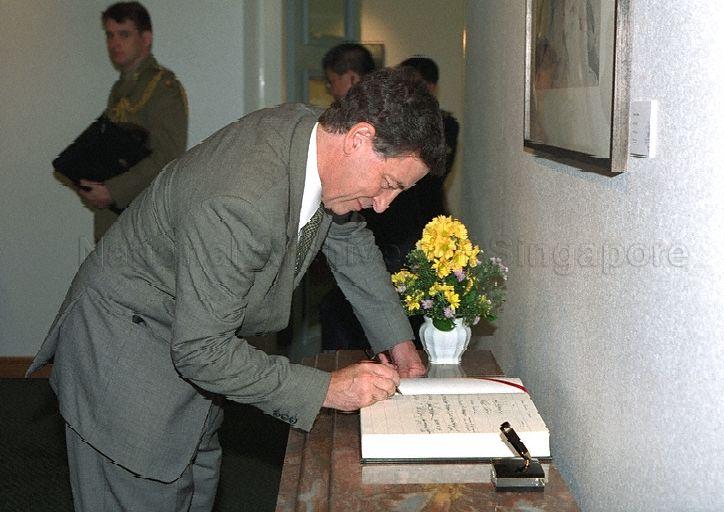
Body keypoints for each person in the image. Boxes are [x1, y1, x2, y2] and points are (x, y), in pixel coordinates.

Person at [28, 67, 444, 511]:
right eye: (388, 184)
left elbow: (348, 239)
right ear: (360, 138)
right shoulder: (239, 199)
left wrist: (397, 342)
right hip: (126, 361)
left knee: (192, 487)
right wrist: (325, 390)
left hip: (191, 353)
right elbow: (202, 350)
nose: (384, 205)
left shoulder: (318, 138)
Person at [319, 55, 460, 351]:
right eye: (386, 184)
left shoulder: (441, 131)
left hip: (405, 238)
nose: (382, 204)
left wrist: (401, 348)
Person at [75, 2, 187, 241]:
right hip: (116, 223)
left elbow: (167, 156)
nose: (115, 43)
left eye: (124, 34)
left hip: (145, 225)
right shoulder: (120, 89)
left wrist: (113, 191)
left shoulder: (163, 87)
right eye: (110, 35)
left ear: (146, 38)